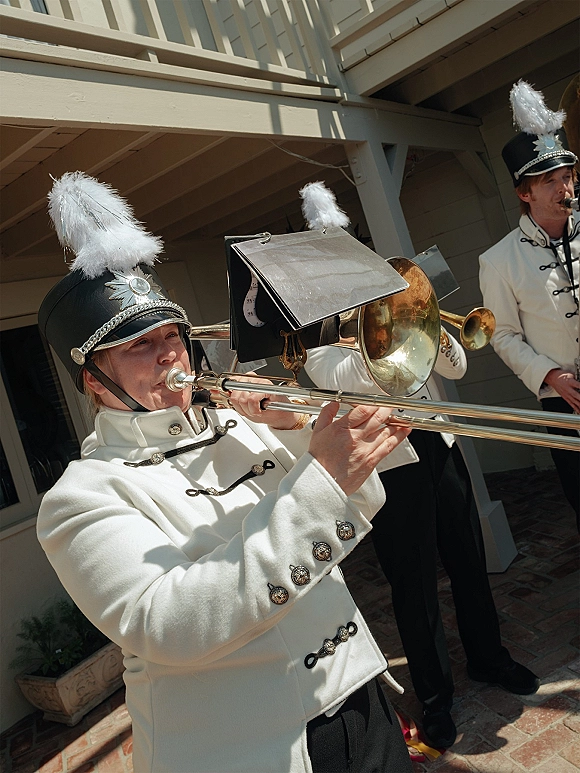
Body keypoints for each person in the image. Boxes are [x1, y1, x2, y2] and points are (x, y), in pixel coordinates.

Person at [35, 172, 414, 773]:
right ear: (91, 376)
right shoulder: (80, 498)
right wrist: (321, 478)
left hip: (357, 691)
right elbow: (172, 623)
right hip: (255, 747)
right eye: (138, 345)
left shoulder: (238, 422)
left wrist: (302, 429)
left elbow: (359, 502)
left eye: (173, 337)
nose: (169, 356)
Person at [304, 330, 540, 751]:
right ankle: (435, 698)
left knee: (469, 561)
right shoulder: (318, 346)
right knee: (414, 588)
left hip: (440, 444)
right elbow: (353, 382)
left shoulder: (408, 323)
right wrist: (371, 329)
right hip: (392, 465)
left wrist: (427, 326)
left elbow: (456, 366)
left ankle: (489, 659)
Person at [479, 80, 579, 529]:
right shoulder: (497, 260)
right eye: (551, 181)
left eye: (567, 176)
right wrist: (550, 376)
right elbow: (502, 334)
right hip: (566, 400)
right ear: (525, 193)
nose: (565, 188)